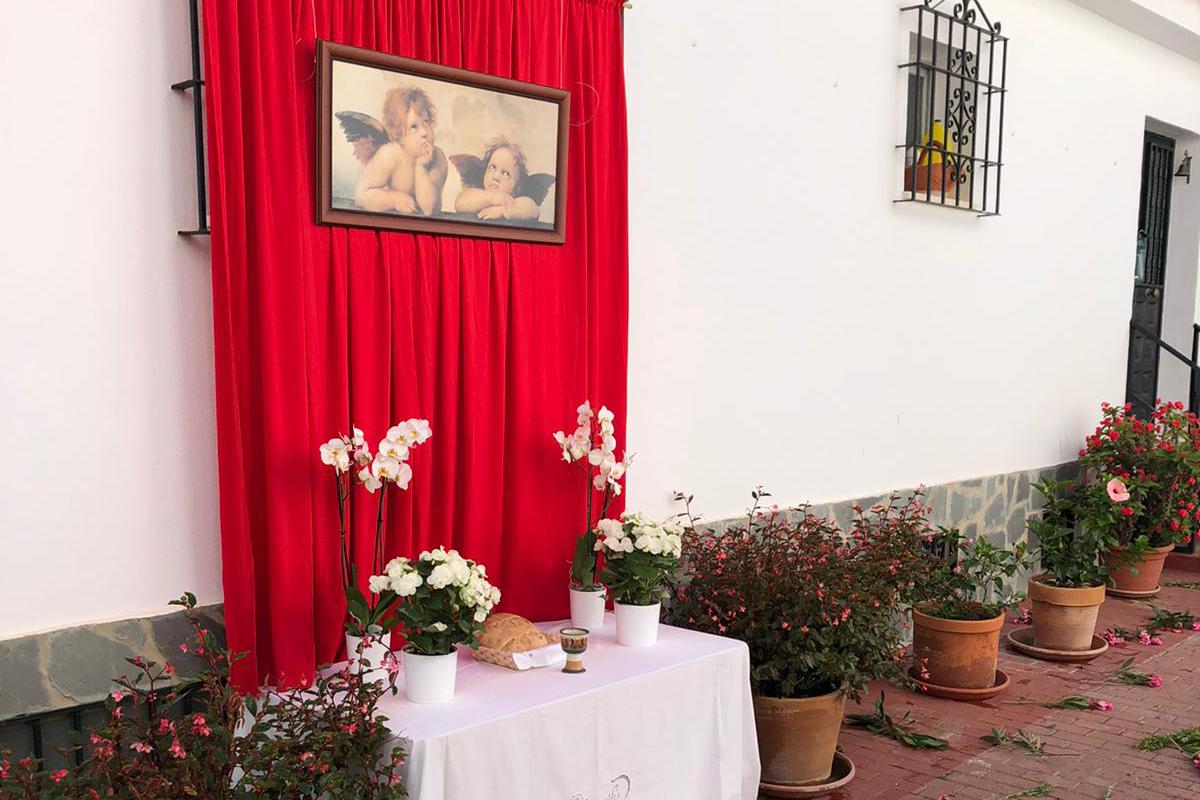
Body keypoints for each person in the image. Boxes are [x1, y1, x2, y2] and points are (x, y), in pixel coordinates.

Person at [353, 86, 448, 216]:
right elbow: (361, 194)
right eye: (413, 127)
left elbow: (429, 210)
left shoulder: (438, 157)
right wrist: (393, 200)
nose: (424, 132)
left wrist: (421, 167)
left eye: (426, 122)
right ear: (399, 136)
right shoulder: (390, 154)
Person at [452, 138, 550, 222]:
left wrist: (504, 211)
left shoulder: (516, 202)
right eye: (492, 167)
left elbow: (533, 210)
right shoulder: (477, 195)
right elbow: (460, 203)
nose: (496, 177)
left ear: (517, 188)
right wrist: (493, 198)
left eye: (506, 174)